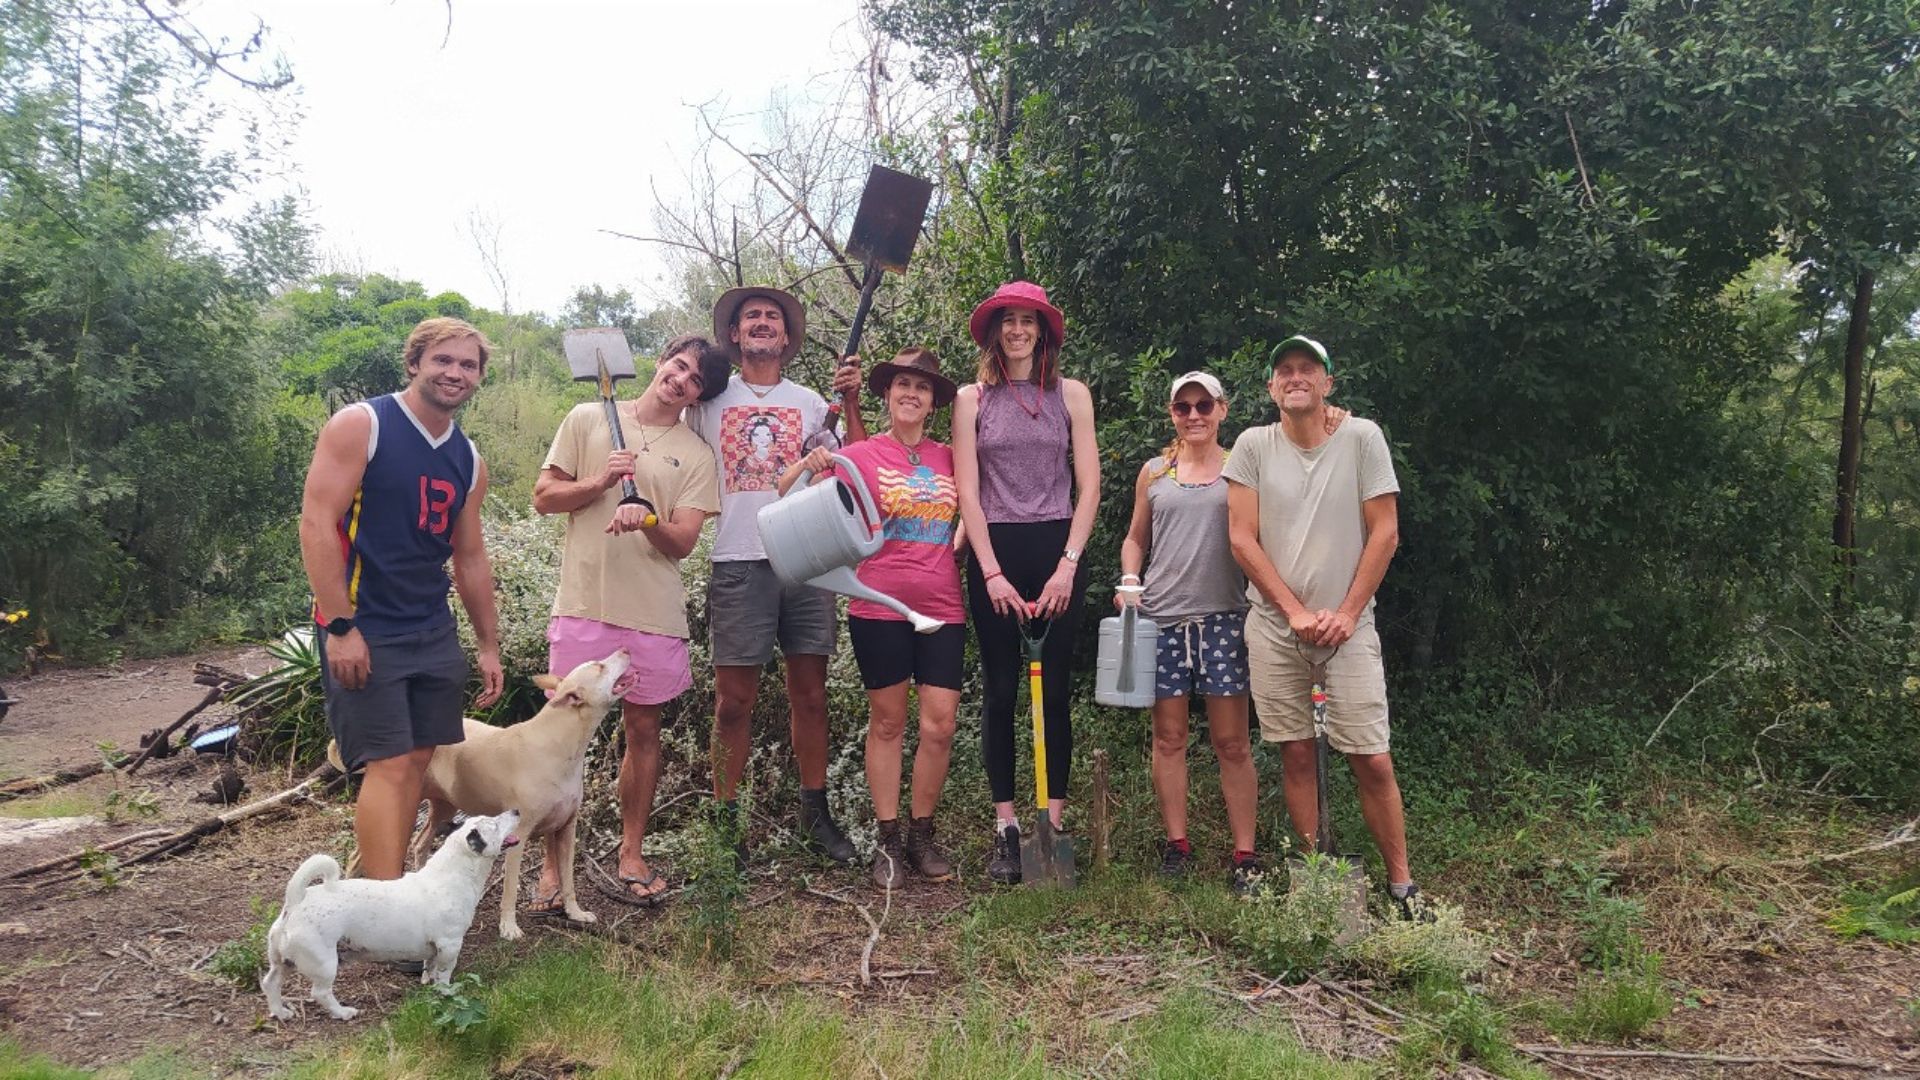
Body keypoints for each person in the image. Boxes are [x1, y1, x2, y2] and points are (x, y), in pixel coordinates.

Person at [1224, 334, 1425, 916]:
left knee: (1371, 756)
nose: (1295, 377)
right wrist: (1292, 611)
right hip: (1275, 628)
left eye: (1307, 369)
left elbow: (1385, 532)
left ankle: (1402, 886)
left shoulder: (1363, 438)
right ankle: (1316, 876)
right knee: (1296, 755)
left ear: (1327, 383)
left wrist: (1345, 613)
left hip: (1348, 630)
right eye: (1283, 370)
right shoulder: (1253, 445)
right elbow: (1242, 537)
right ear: (1270, 387)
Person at [298, 316, 505, 881]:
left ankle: (381, 889)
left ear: (479, 378)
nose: (454, 373)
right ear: (414, 363)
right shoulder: (363, 424)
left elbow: (469, 557)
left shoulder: (467, 458)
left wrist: (488, 644)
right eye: (443, 360)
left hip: (430, 624)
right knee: (387, 764)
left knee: (417, 759)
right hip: (366, 622)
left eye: (468, 365)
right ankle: (384, 905)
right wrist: (339, 625)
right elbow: (317, 522)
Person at [531, 334, 730, 904]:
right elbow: (544, 497)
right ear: (662, 362)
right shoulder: (589, 417)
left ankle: (631, 852)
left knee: (644, 734)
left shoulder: (695, 453)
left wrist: (644, 518)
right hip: (582, 606)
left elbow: (684, 542)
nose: (681, 379)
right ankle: (551, 866)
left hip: (652, 615)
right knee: (562, 737)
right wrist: (598, 482)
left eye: (695, 380)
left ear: (698, 396)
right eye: (680, 365)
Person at [686, 286, 866, 865]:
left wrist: (854, 402)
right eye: (750, 318)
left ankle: (815, 815)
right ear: (735, 335)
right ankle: (724, 825)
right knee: (732, 702)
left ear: (787, 338)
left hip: (807, 555)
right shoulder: (708, 402)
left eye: (772, 318)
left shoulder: (815, 403)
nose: (762, 323)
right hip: (739, 557)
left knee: (809, 695)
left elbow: (857, 463)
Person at [783, 348, 966, 889]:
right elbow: (791, 499)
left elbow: (978, 507)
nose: (911, 393)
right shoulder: (863, 453)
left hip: (942, 606)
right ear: (886, 395)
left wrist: (957, 543)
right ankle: (888, 841)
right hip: (877, 604)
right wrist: (807, 464)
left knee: (940, 724)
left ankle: (921, 836)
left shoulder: (951, 457)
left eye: (922, 387)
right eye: (902, 385)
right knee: (887, 723)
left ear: (933, 402)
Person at [953, 281, 1099, 885]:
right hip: (998, 550)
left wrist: (1068, 563)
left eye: (1028, 321)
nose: (1018, 330)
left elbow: (1088, 485)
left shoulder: (1071, 395)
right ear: (995, 331)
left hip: (1057, 544)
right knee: (1003, 690)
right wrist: (989, 571)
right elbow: (967, 490)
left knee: (1056, 691)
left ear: (1043, 331)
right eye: (1008, 321)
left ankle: (1052, 826)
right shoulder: (971, 399)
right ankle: (1008, 830)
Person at [1116, 371, 1262, 891]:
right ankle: (1176, 844)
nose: (1195, 415)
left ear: (1223, 410)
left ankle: (1245, 854)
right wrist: (1130, 579)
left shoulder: (1242, 469)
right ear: (1171, 414)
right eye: (1184, 407)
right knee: (1169, 736)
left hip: (1225, 619)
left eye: (1204, 405)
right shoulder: (1155, 472)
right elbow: (1135, 539)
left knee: (1232, 743)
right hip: (1161, 619)